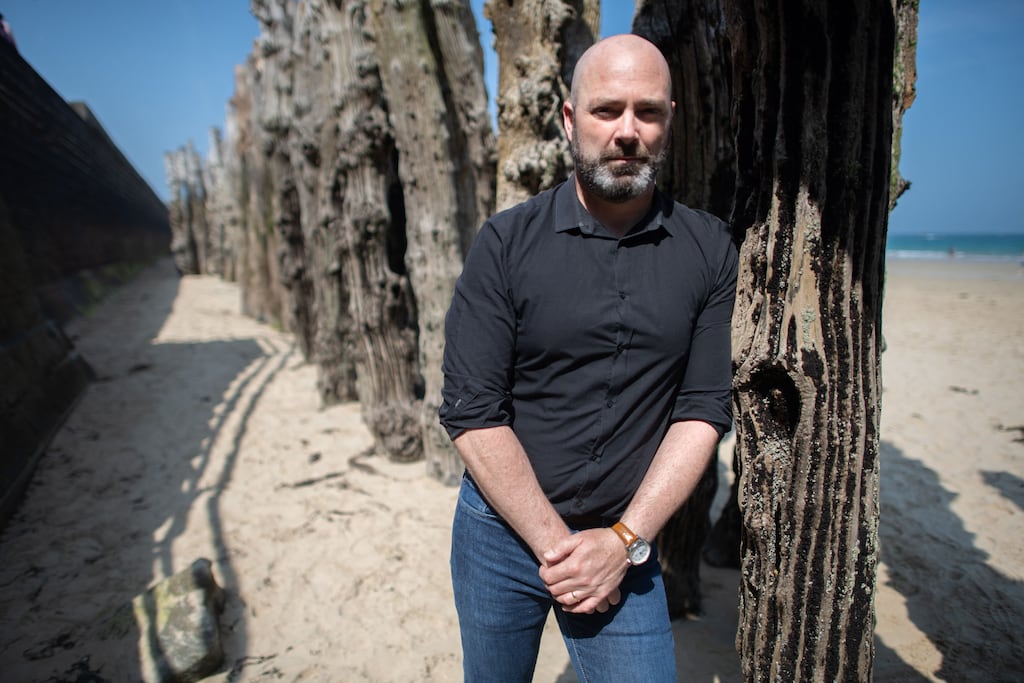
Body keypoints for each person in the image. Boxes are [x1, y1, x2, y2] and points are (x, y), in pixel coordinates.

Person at [439, 34, 738, 682]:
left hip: (623, 535)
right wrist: (561, 550)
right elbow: (471, 412)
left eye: (647, 111)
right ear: (571, 120)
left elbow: (703, 409)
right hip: (500, 531)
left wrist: (622, 543)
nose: (627, 130)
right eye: (607, 110)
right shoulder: (506, 243)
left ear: (670, 121)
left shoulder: (708, 249)